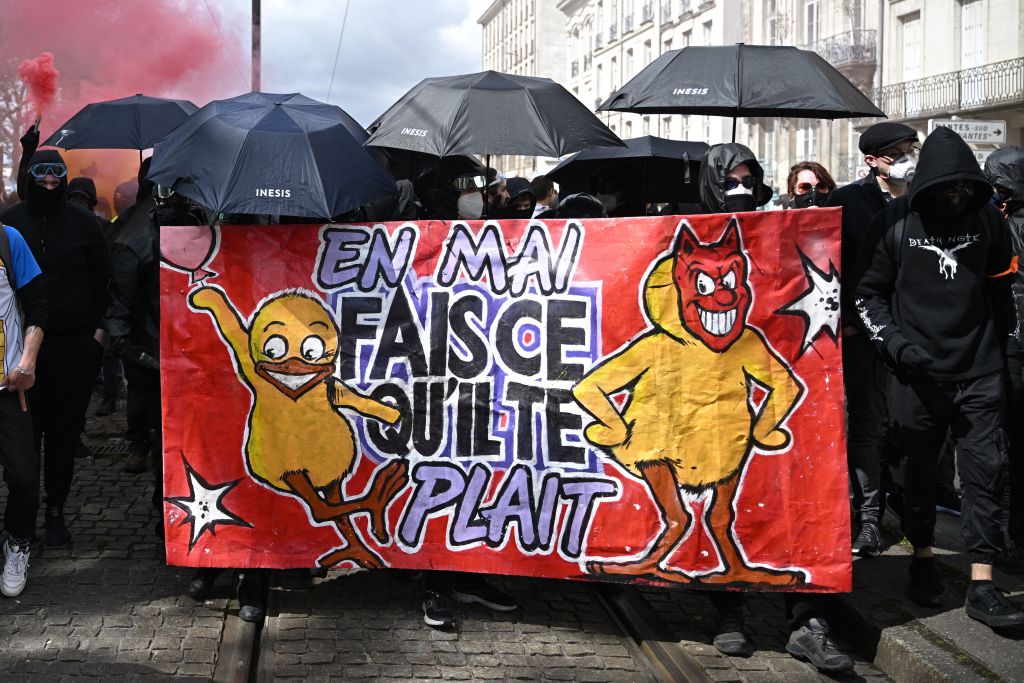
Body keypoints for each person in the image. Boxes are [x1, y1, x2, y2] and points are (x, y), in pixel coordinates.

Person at [855, 127, 1024, 628]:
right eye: (945, 189)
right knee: (916, 473)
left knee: (985, 473)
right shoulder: (894, 223)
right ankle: (923, 558)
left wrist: (1005, 353)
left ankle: (982, 581)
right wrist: (897, 346)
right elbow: (866, 295)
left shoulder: (988, 222)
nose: (954, 197)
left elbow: (1000, 289)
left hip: (979, 372)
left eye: (962, 189)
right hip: (915, 375)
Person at [696, 142, 853, 672]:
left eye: (748, 177)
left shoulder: (779, 228)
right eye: (730, 179)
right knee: (727, 502)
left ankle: (809, 622)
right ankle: (728, 613)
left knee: (803, 497)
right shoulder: (688, 231)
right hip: (715, 395)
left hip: (788, 383)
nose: (740, 186)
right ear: (713, 182)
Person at [0, 149, 112, 547]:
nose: (49, 182)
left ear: (65, 179)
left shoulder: (85, 225)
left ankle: (56, 510)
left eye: (56, 175)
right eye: (41, 174)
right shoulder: (9, 225)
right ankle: (23, 516)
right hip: (22, 351)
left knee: (64, 434)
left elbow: (105, 282)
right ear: (29, 177)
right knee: (22, 439)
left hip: (73, 347)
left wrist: (98, 336)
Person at [825, 122, 920, 557]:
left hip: (915, 335)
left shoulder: (928, 199)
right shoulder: (847, 202)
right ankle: (866, 520)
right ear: (872, 161)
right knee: (863, 426)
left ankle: (914, 519)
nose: (908, 158)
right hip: (860, 335)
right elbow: (827, 267)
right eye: (897, 153)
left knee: (908, 429)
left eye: (911, 149)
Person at [0, 222, 46, 597]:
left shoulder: (8, 238)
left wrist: (27, 360)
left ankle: (17, 542)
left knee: (24, 476)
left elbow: (38, 304)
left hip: (7, 389)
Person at [985, 146, 1024, 564]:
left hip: (1010, 345)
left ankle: (1010, 537)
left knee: (1008, 445)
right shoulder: (999, 222)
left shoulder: (998, 226)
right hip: (1011, 342)